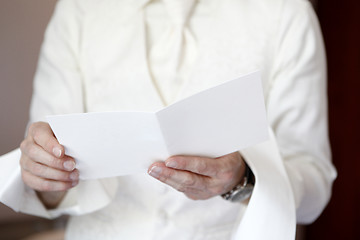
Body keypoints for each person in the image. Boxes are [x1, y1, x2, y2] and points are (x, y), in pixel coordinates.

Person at [17, 0, 337, 239]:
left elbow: (314, 187)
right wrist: (45, 174)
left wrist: (244, 179)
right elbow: (44, 174)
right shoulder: (79, 10)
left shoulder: (286, 13)